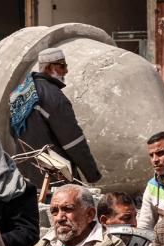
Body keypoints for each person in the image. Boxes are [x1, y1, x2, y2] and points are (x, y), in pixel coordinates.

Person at [12, 48, 101, 187]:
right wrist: (92, 174)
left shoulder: (21, 92)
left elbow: (14, 132)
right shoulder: (53, 96)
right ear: (48, 67)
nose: (66, 71)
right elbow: (72, 140)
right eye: (62, 66)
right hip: (53, 176)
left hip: (26, 175)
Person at [137, 131, 164, 231]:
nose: (155, 160)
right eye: (151, 155)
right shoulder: (152, 186)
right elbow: (145, 226)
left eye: (160, 153)